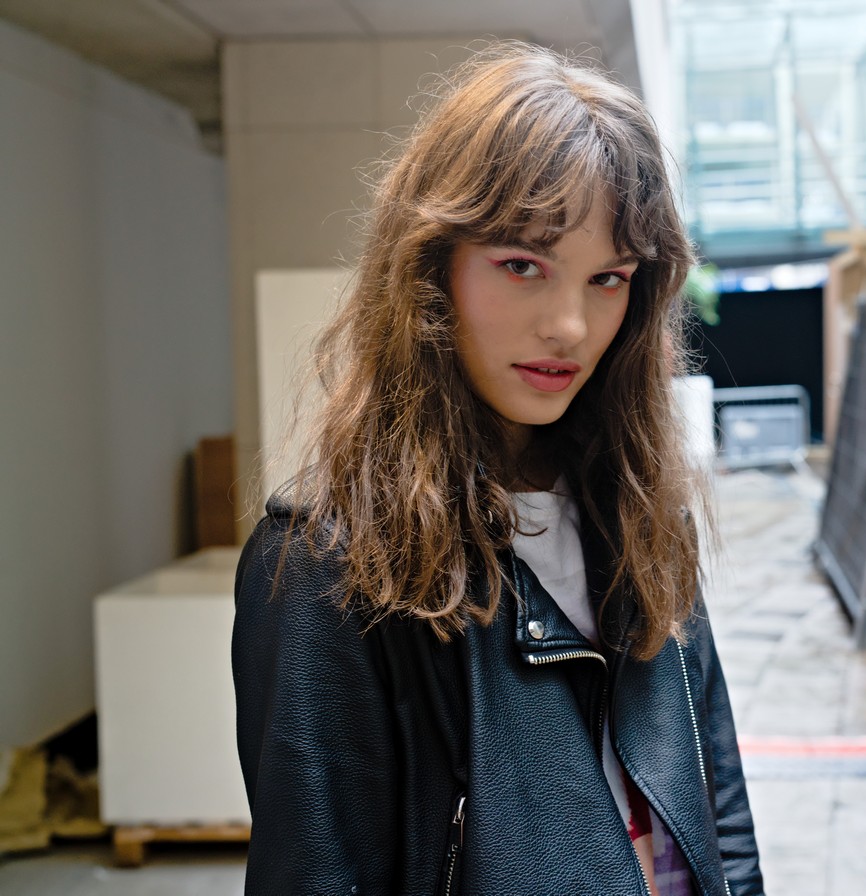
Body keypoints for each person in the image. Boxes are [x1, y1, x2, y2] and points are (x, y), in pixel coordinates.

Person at [232, 43, 764, 896]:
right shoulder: (327, 563)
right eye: (523, 266)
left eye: (608, 278)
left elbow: (716, 802)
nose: (570, 326)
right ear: (429, 267)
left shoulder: (639, 510)